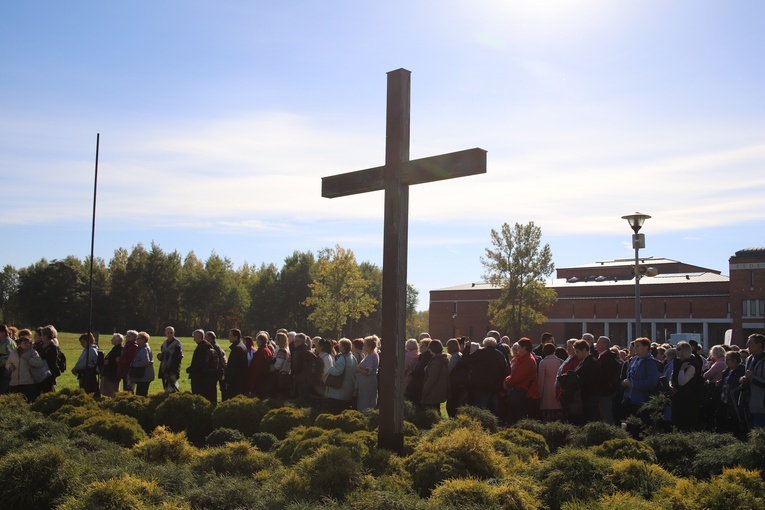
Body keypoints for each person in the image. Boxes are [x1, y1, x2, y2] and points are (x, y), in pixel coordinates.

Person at [467, 337, 510, 416]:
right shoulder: (500, 355)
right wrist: (502, 388)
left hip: (481, 386)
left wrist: (467, 348)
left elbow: (466, 360)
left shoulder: (479, 353)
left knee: (481, 409)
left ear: (484, 344)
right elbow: (506, 371)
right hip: (495, 387)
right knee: (494, 409)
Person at [621, 337, 660, 418]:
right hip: (629, 398)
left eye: (638, 346)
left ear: (646, 347)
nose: (635, 348)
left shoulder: (650, 363)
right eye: (635, 346)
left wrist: (633, 384)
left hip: (641, 400)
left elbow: (652, 382)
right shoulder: (634, 360)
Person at [504, 337, 540, 423]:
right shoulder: (524, 358)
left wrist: (506, 382)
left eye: (519, 347)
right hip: (523, 392)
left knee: (519, 417)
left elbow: (518, 377)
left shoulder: (528, 360)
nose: (517, 349)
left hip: (525, 393)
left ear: (524, 348)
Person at [6, 332, 44, 402]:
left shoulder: (33, 352)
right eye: (25, 343)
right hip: (14, 383)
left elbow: (40, 363)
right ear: (20, 344)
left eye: (29, 343)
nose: (27, 344)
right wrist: (10, 367)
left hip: (28, 382)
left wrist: (29, 360)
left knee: (28, 401)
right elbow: (8, 363)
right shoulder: (13, 353)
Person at [671, 341, 701, 430]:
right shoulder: (677, 362)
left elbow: (682, 382)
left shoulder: (691, 364)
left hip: (688, 397)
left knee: (685, 422)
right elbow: (672, 377)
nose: (676, 351)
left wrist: (681, 370)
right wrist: (671, 385)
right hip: (678, 396)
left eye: (679, 349)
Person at [187, 329, 219, 405]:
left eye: (194, 337)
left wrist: (190, 369)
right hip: (208, 377)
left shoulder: (200, 348)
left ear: (198, 336)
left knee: (199, 398)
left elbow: (197, 364)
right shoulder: (208, 346)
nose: (193, 339)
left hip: (199, 378)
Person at [325, 338, 357, 413]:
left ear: (343, 347)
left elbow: (338, 371)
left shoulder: (343, 358)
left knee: (337, 410)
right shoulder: (353, 357)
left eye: (340, 345)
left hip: (340, 390)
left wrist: (329, 369)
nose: (338, 347)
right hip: (349, 388)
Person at [741, 333, 765, 430]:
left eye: (750, 342)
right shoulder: (749, 359)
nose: (747, 345)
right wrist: (743, 379)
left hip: (761, 405)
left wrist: (752, 378)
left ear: (759, 345)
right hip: (749, 403)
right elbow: (746, 375)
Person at [595, 336, 621, 424]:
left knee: (606, 416)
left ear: (604, 345)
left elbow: (605, 376)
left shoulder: (606, 359)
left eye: (598, 343)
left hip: (605, 392)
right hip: (604, 391)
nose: (596, 344)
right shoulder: (602, 357)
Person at [574, 339, 600, 423]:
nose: (576, 354)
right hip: (586, 396)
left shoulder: (590, 363)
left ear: (584, 350)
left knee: (588, 420)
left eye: (577, 351)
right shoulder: (584, 362)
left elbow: (588, 381)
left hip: (589, 397)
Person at [421, 339, 449, 411]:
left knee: (432, 412)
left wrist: (425, 390)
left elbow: (432, 378)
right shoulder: (442, 359)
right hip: (437, 391)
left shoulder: (436, 361)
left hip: (432, 393)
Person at [537, 343, 563, 422]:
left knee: (547, 414)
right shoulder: (560, 361)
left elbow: (541, 380)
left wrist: (540, 394)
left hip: (546, 391)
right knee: (557, 413)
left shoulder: (543, 362)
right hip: (557, 390)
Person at [446, 338, 469, 417]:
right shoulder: (460, 355)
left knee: (451, 405)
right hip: (461, 384)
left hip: (455, 385)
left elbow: (448, 370)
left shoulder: (454, 358)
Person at [355, 335, 379, 412]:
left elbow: (368, 371)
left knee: (365, 401)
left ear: (369, 346)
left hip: (367, 383)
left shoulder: (371, 356)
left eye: (364, 344)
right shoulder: (372, 355)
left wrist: (358, 369)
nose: (363, 346)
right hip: (367, 382)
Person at [35, 325, 61, 393]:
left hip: (48, 373)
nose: (41, 337)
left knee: (48, 390)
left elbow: (53, 361)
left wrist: (54, 374)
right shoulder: (41, 345)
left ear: (46, 336)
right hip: (40, 372)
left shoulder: (52, 347)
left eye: (42, 335)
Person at [224, 328, 248, 400]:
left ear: (236, 337)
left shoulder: (237, 349)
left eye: (230, 335)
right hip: (240, 379)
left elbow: (232, 366)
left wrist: (228, 380)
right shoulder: (242, 346)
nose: (229, 337)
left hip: (235, 381)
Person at [247, 331, 273, 397]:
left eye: (257, 341)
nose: (256, 342)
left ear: (261, 341)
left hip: (259, 380)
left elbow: (256, 368)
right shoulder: (267, 350)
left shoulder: (261, 351)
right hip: (264, 378)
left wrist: (252, 382)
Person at [129, 332, 155, 396]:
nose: (136, 340)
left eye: (138, 338)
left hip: (145, 376)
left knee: (141, 394)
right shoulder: (143, 347)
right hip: (144, 375)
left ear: (143, 339)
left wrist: (134, 364)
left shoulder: (144, 349)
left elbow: (145, 361)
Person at [158, 326, 183, 393]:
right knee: (166, 387)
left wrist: (173, 369)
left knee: (172, 387)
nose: (169, 334)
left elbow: (178, 357)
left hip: (172, 369)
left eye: (171, 332)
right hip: (164, 369)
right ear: (165, 333)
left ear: (174, 333)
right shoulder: (164, 343)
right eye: (168, 332)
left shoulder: (177, 343)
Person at [100, 333, 124, 397]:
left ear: (117, 340)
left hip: (112, 373)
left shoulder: (119, 349)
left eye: (113, 339)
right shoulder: (116, 348)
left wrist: (108, 362)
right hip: (110, 372)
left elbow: (117, 360)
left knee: (112, 390)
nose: (111, 340)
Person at [271, 331, 292, 399]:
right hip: (286, 373)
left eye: (277, 339)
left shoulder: (282, 351)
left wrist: (272, 368)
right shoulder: (287, 350)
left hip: (281, 374)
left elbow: (278, 365)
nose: (275, 340)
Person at [206, 331, 227, 398]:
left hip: (217, 371)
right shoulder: (215, 345)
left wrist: (221, 372)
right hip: (218, 371)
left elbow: (220, 360)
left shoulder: (214, 347)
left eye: (206, 337)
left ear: (210, 338)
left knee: (215, 388)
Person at [0, 325, 18, 394]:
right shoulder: (2, 342)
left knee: (4, 388)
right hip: (1, 368)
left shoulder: (9, 343)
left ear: (3, 333)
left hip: (6, 369)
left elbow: (13, 357)